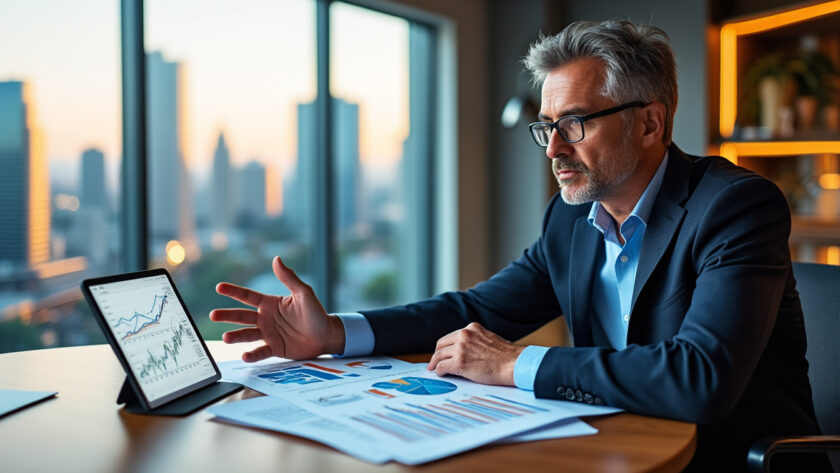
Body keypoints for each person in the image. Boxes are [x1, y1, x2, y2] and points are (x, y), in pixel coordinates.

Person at [210, 20, 824, 472]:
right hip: (622, 453)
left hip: (733, 464)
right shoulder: (568, 219)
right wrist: (335, 335)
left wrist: (512, 365)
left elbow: (701, 378)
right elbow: (474, 311)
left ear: (649, 123)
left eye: (575, 124)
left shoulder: (735, 206)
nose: (554, 149)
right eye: (546, 127)